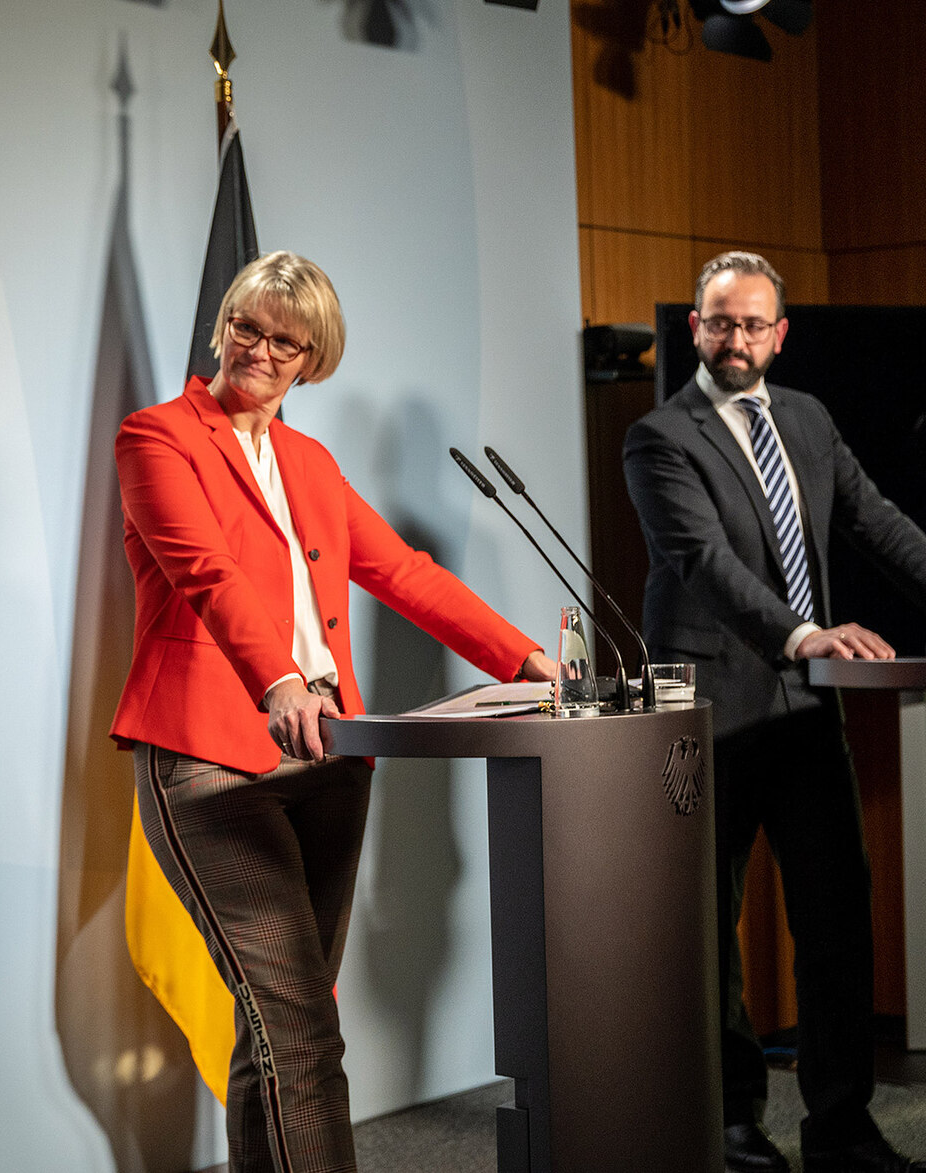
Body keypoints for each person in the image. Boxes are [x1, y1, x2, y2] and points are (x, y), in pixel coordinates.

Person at [110, 250, 556, 1173]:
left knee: (277, 1029)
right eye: (248, 327)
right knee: (304, 1030)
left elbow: (404, 574)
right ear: (222, 323)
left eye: (287, 340)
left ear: (312, 359)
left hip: (329, 760)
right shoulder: (157, 437)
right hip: (206, 761)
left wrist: (525, 659)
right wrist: (276, 680)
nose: (260, 350)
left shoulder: (311, 462)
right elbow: (207, 573)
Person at [623, 251, 926, 1173]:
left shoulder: (807, 417)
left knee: (837, 914)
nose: (737, 339)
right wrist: (804, 634)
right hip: (707, 710)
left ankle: (839, 1125)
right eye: (720, 323)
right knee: (710, 927)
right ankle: (730, 1122)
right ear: (696, 330)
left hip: (805, 713)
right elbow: (705, 564)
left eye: (754, 324)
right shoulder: (659, 436)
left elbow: (877, 522)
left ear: (780, 334)